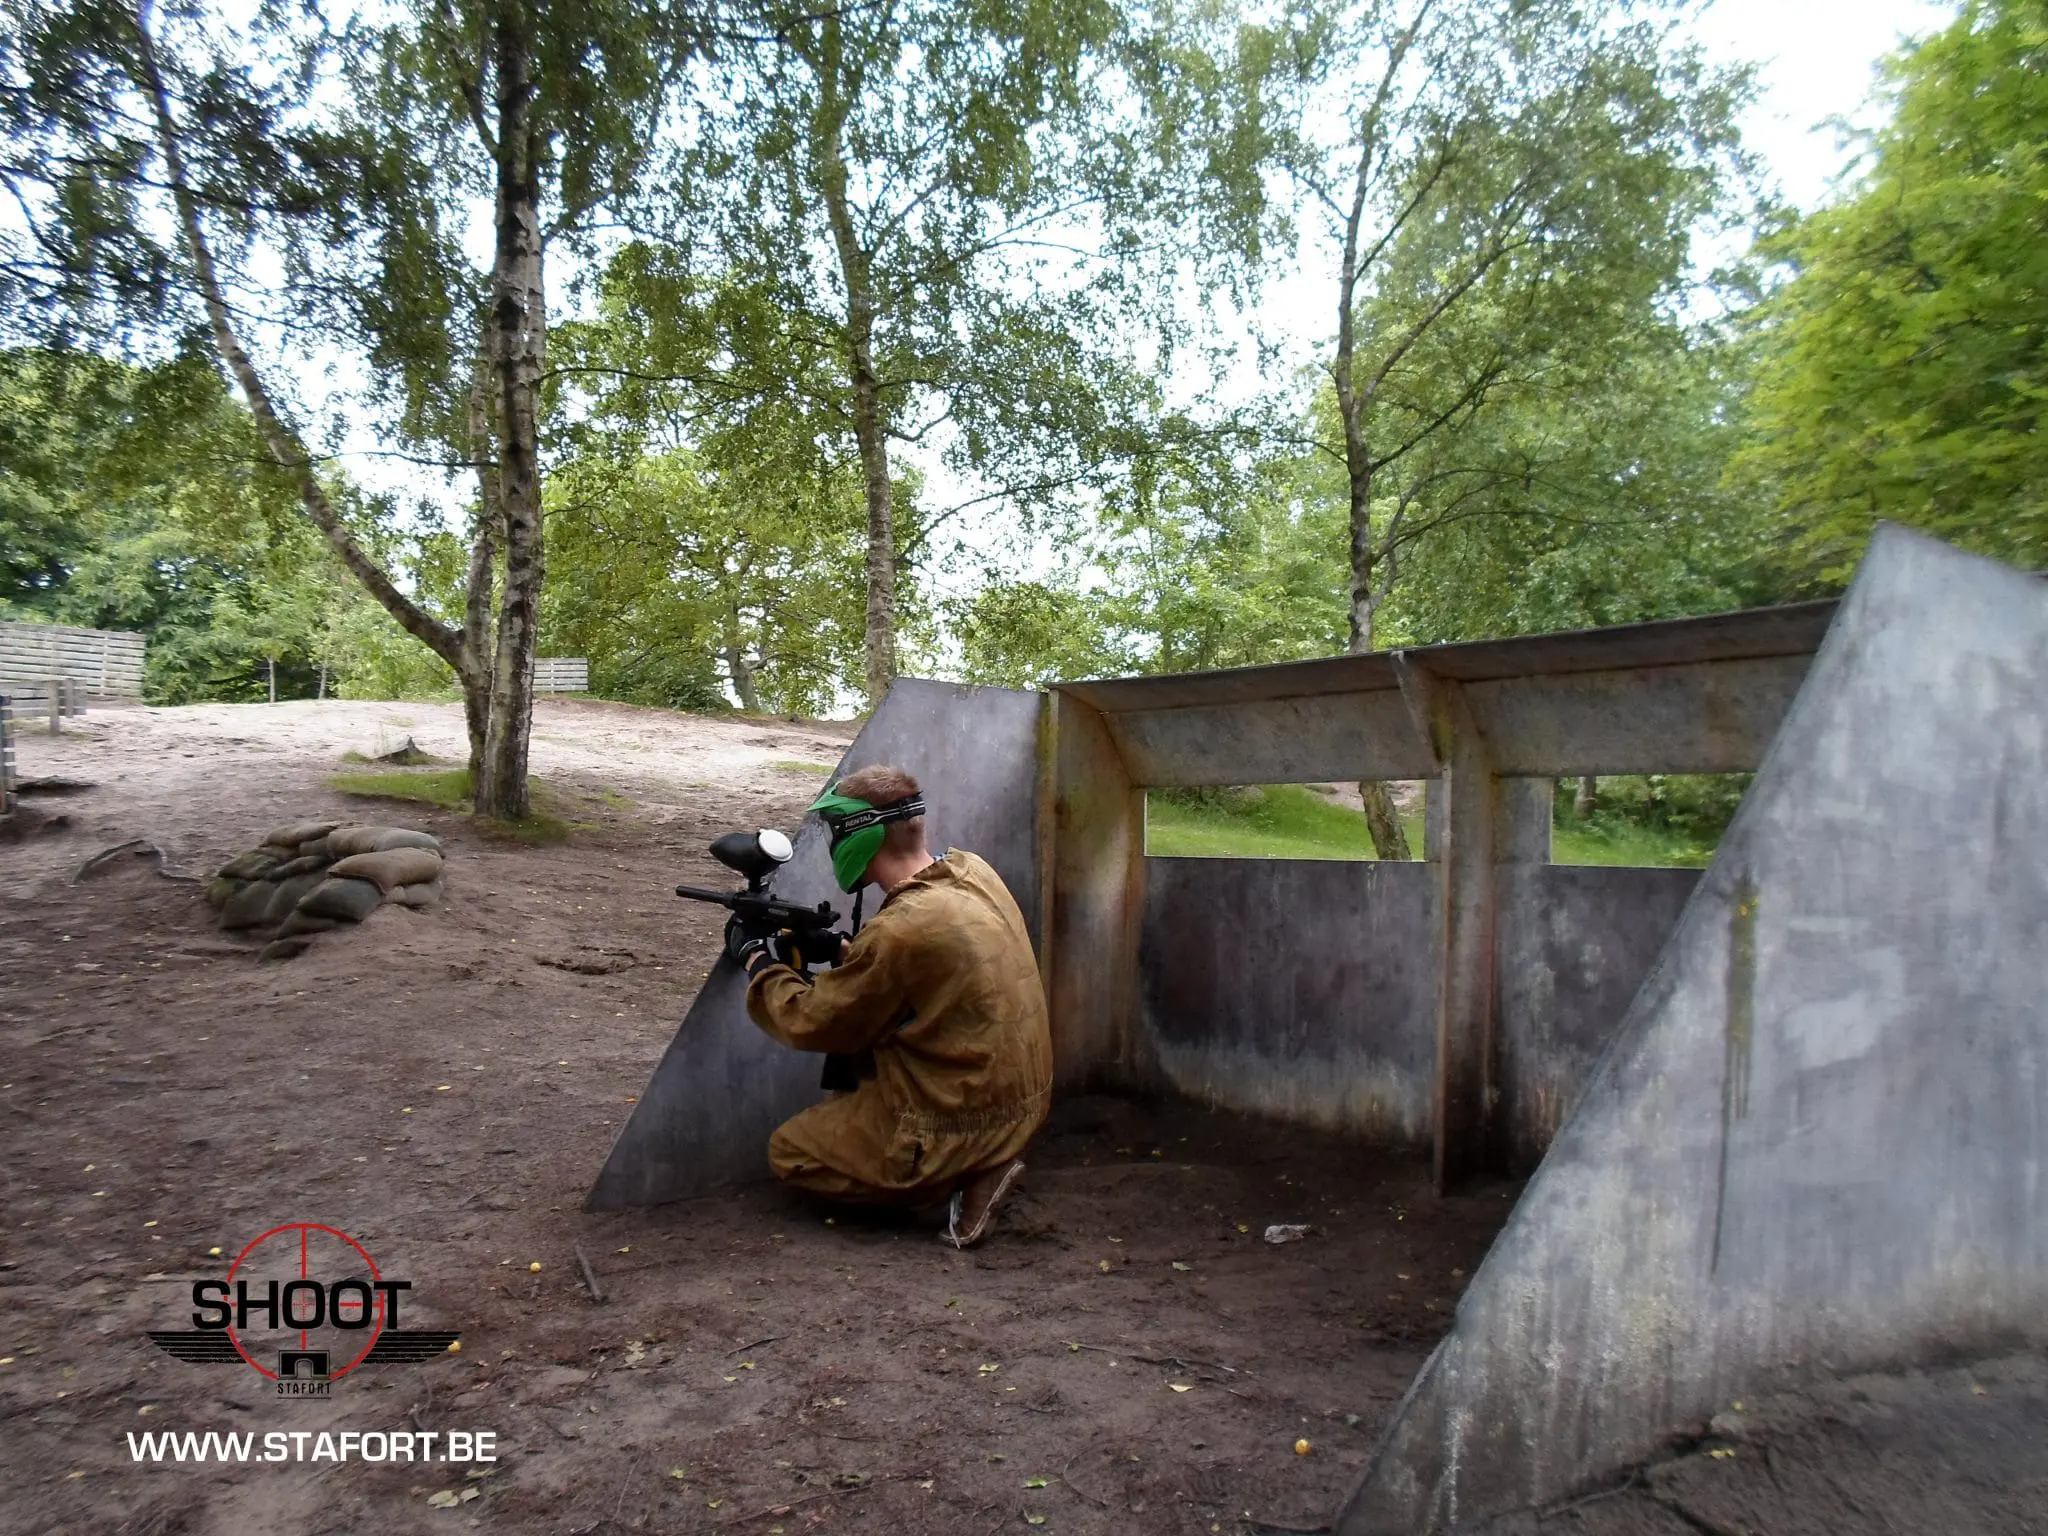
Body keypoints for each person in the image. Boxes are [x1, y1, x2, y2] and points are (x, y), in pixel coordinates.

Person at [727, 765, 1051, 1248]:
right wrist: (841, 949)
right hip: (1023, 1101)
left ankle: (958, 1180)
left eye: (835, 832)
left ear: (860, 835)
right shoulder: (971, 872)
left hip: (963, 1117)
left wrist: (757, 960)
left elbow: (814, 1020)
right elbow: (926, 968)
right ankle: (979, 1157)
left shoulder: (902, 927)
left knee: (791, 1150)